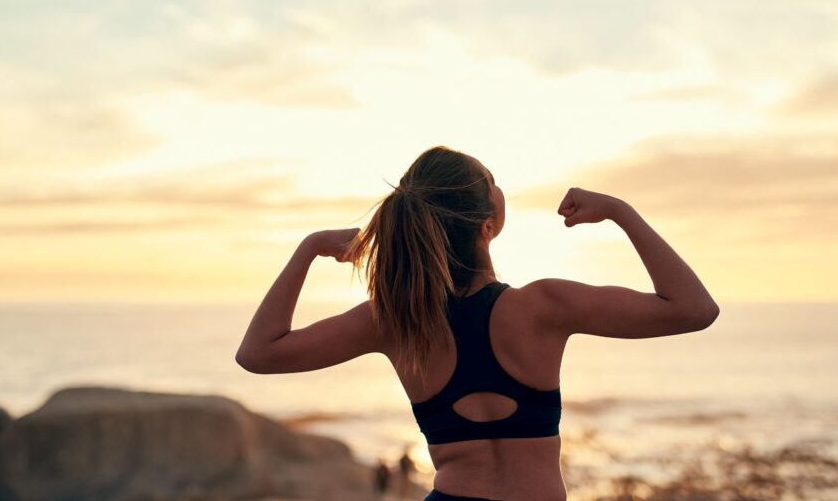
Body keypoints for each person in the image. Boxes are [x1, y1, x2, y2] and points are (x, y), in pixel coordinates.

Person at [236, 146, 720, 501]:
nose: (499, 187)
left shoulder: (393, 321)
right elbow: (694, 309)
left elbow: (258, 353)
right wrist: (619, 211)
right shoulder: (544, 306)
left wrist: (310, 248)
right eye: (491, 180)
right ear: (487, 223)